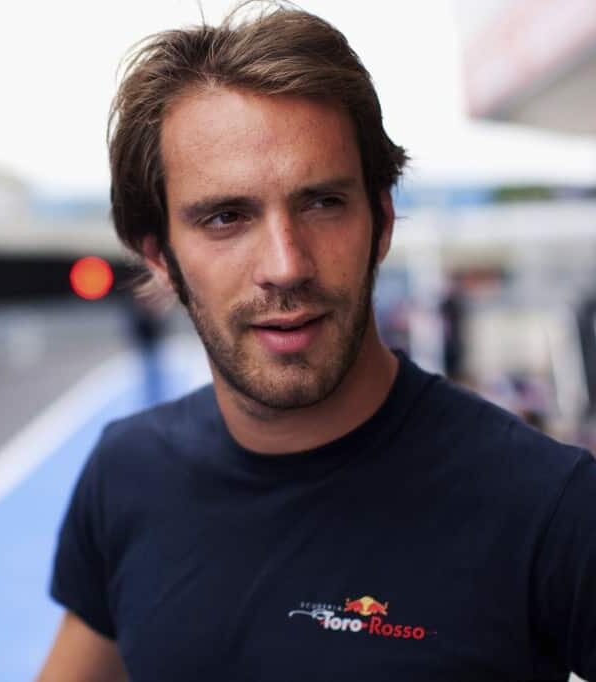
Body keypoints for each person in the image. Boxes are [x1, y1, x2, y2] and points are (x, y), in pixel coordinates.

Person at [38, 4, 596, 681]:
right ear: (158, 255)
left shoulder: (550, 505)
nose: (285, 264)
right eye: (225, 217)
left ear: (381, 221)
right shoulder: (124, 475)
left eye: (322, 203)